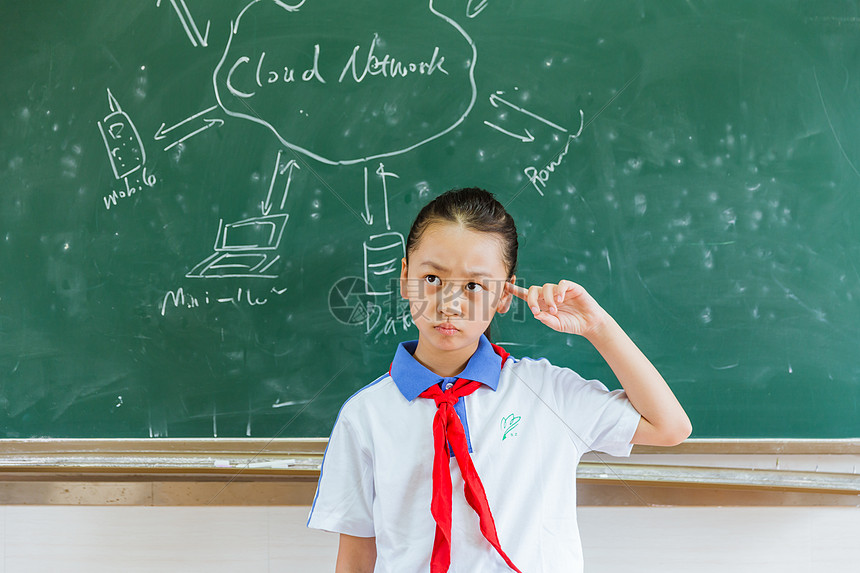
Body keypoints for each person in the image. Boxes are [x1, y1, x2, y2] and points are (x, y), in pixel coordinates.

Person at [308, 187, 692, 573]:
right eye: (431, 277)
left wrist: (599, 327)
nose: (449, 302)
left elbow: (670, 426)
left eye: (474, 286)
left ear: (505, 295)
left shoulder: (546, 391)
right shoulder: (365, 415)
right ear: (406, 276)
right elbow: (356, 558)